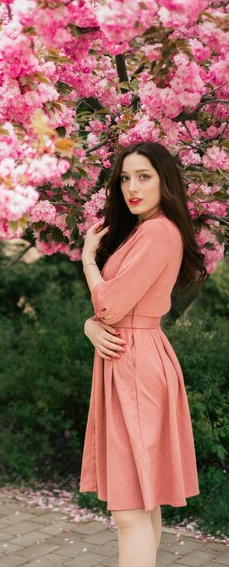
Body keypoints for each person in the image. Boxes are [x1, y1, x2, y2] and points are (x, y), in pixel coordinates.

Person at [79, 141, 206, 567]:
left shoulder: (157, 232)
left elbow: (112, 306)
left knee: (130, 508)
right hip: (136, 354)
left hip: (133, 363)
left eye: (144, 176)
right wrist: (90, 325)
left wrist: (88, 263)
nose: (132, 187)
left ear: (164, 181)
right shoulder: (150, 229)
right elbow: (113, 309)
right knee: (143, 503)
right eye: (125, 178)